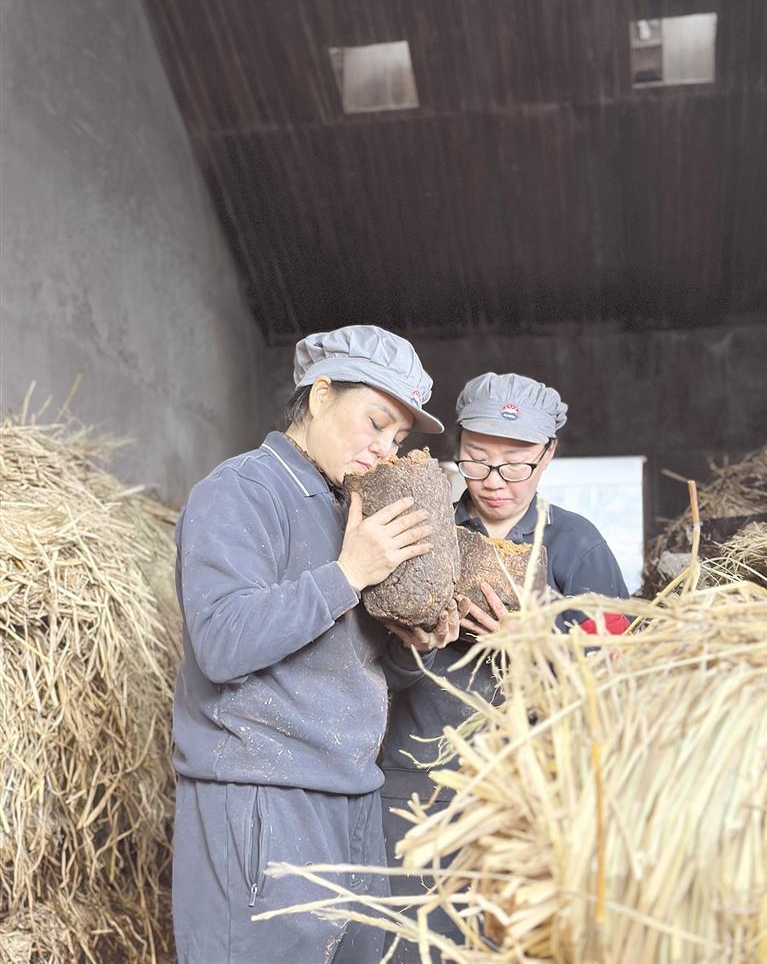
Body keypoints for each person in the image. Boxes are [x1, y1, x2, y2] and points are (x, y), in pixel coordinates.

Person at [171, 324, 462, 964]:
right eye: (375, 422)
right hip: (260, 797)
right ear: (321, 392)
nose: (384, 449)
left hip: (353, 791)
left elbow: (362, 665)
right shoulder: (243, 491)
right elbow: (220, 642)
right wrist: (348, 574)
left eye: (398, 438)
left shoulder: (348, 507)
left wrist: (418, 643)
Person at [380, 371, 630, 962]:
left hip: (532, 791)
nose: (494, 483)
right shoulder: (419, 530)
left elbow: (621, 677)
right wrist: (415, 637)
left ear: (548, 457)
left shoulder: (578, 546)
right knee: (413, 943)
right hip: (419, 783)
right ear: (456, 448)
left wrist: (539, 646)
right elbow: (370, 665)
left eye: (516, 465)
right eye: (476, 461)